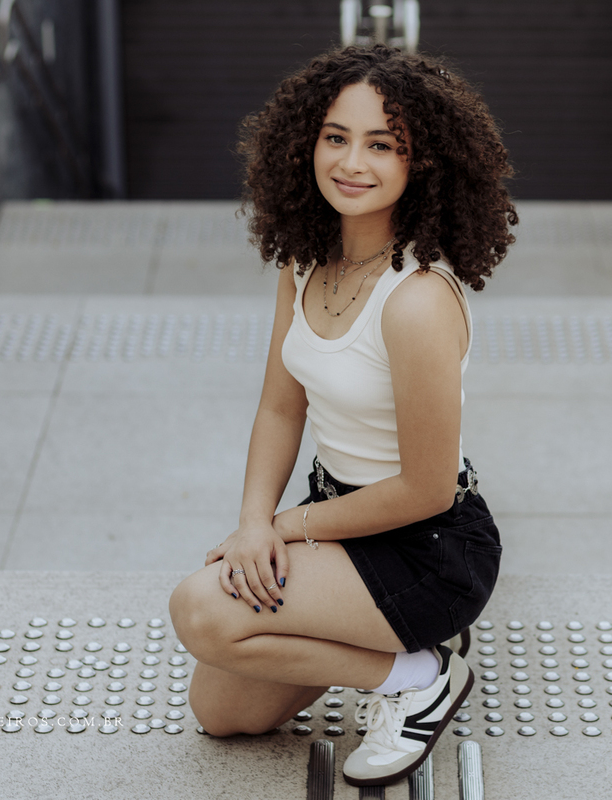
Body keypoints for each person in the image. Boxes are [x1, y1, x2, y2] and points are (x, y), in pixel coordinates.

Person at [169, 43, 516, 787]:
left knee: (202, 611)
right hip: (337, 515)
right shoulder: (304, 259)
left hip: (427, 547)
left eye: (381, 145)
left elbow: (426, 490)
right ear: (306, 142)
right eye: (336, 137)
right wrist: (254, 522)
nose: (351, 163)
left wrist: (286, 527)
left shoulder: (417, 299)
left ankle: (418, 678)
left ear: (423, 162)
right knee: (223, 710)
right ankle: (391, 651)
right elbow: (278, 406)